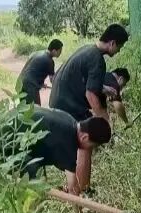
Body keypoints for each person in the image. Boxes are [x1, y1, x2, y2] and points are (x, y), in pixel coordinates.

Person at [48, 24, 129, 196]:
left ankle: (80, 185)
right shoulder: (97, 60)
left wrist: (103, 89)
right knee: (86, 145)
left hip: (59, 98)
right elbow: (91, 95)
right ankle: (82, 190)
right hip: (67, 104)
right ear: (113, 43)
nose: (119, 51)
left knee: (83, 141)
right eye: (120, 47)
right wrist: (105, 121)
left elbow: (89, 84)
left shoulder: (88, 50)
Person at [0, 107, 112, 195]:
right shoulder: (67, 141)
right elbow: (72, 187)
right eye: (92, 146)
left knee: (39, 171)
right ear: (84, 137)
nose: (90, 150)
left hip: (5, 124)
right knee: (38, 186)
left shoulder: (70, 121)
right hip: (3, 144)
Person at [17, 39, 63, 106]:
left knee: (24, 109)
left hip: (20, 83)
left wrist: (40, 83)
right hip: (30, 87)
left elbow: (32, 70)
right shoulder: (49, 61)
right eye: (60, 51)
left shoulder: (38, 53)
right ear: (54, 50)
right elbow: (53, 80)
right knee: (36, 110)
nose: (60, 53)